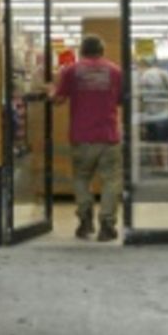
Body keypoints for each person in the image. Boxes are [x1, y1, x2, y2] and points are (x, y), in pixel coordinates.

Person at [53, 35, 123, 242]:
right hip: (108, 135)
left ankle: (85, 221)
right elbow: (120, 100)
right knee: (111, 180)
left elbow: (58, 100)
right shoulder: (115, 71)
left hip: (81, 136)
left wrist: (50, 90)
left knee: (82, 178)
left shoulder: (71, 71)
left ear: (82, 50)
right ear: (102, 50)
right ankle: (107, 225)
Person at [137, 58, 168, 171]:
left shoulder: (143, 76)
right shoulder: (164, 73)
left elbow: (140, 96)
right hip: (164, 113)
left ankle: (154, 166)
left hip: (149, 114)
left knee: (152, 141)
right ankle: (165, 166)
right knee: (164, 142)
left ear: (144, 63)